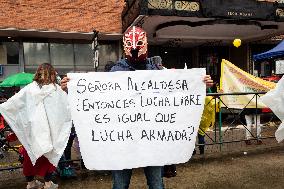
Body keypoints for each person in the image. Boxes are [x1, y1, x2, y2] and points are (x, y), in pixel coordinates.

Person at [60, 26, 213, 189]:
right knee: (120, 185)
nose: (134, 48)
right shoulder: (116, 71)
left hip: (152, 140)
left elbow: (175, 93)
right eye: (130, 44)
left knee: (156, 184)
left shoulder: (157, 70)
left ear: (146, 44)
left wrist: (201, 83)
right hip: (123, 142)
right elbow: (99, 98)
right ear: (125, 46)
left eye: (139, 43)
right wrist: (73, 88)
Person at [0, 63, 72, 189]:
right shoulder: (53, 90)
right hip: (48, 131)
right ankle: (43, 183)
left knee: (33, 157)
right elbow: (66, 107)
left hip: (35, 131)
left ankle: (35, 183)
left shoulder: (34, 89)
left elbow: (13, 104)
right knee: (45, 156)